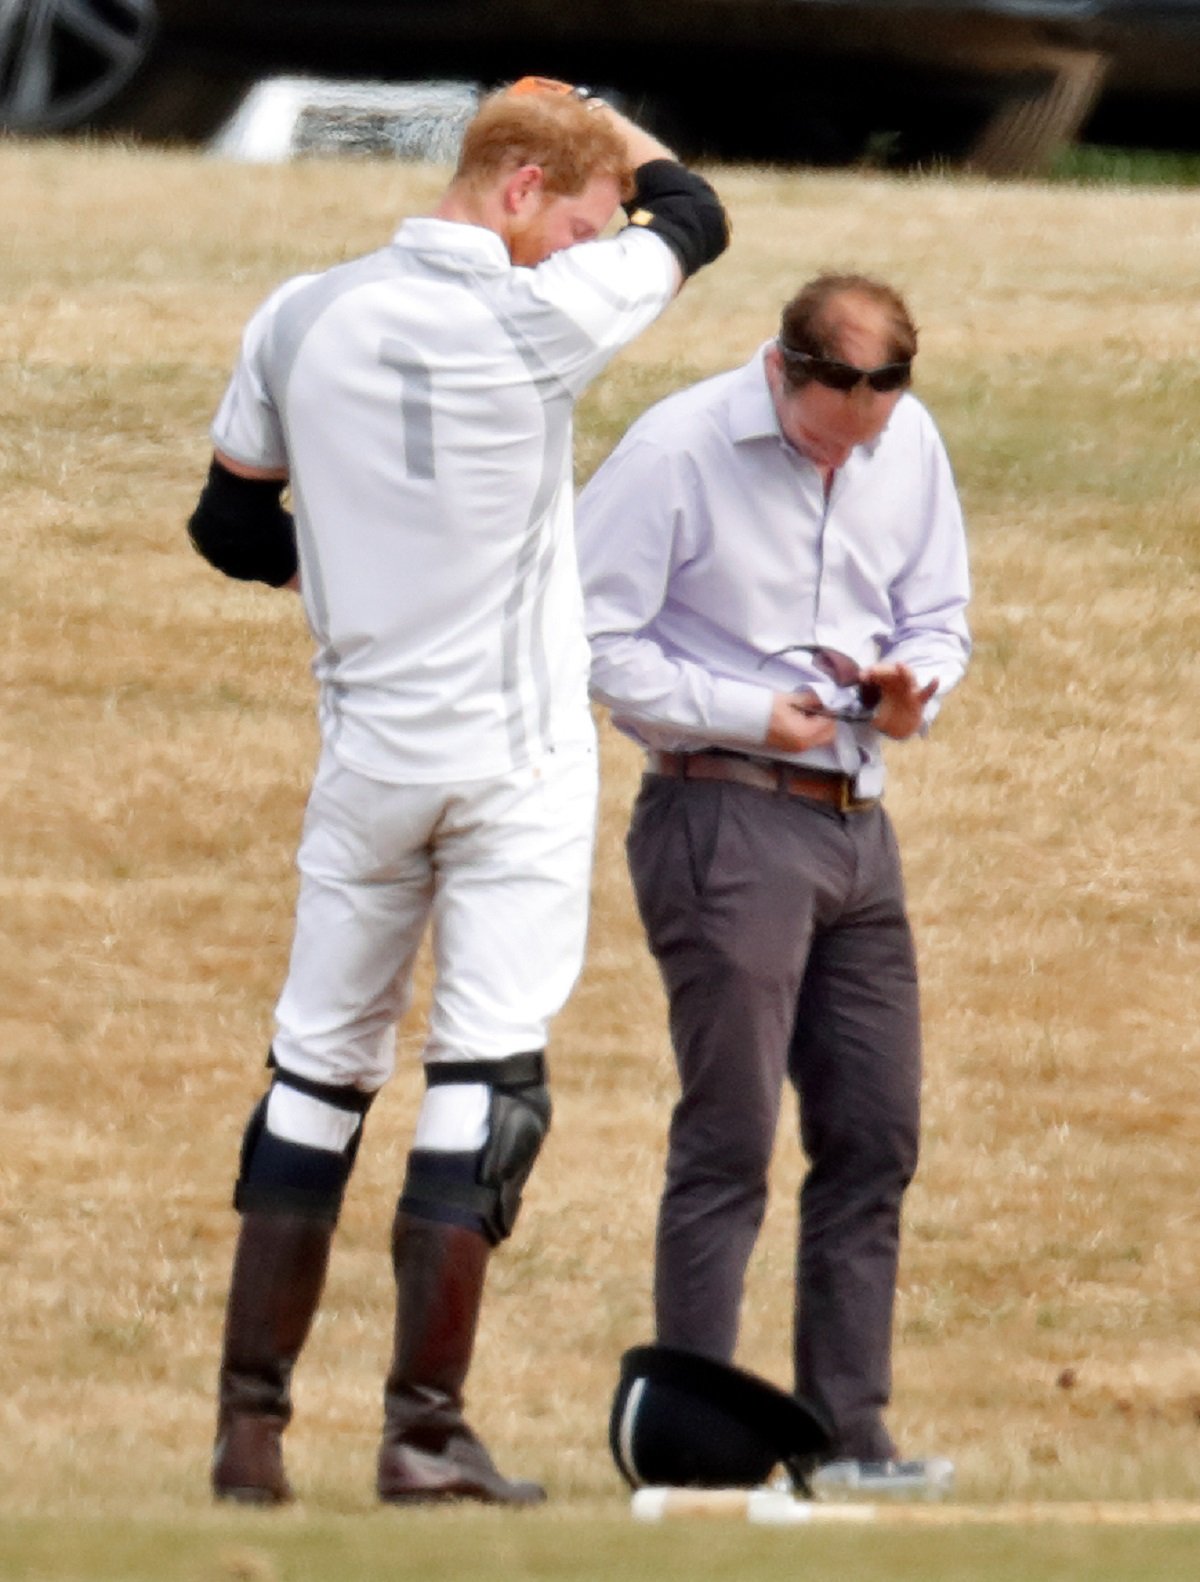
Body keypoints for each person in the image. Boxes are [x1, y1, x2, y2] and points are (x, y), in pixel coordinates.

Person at [186, 77, 728, 1508]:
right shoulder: (543, 313)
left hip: (365, 763)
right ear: (519, 189)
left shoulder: (299, 313)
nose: (588, 243)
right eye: (578, 216)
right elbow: (698, 212)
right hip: (512, 766)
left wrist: (350, 567)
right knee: (483, 1085)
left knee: (316, 1073)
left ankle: (250, 1432)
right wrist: (610, 112)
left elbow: (229, 522)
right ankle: (423, 1433)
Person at [576, 273, 970, 1494]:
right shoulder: (678, 448)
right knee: (732, 1133)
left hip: (860, 823)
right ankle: (694, 1449)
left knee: (874, 1133)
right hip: (722, 815)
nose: (844, 455)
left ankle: (849, 1439)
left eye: (871, 433)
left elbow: (941, 613)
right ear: (783, 369)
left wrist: (913, 686)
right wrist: (752, 710)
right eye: (820, 433)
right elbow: (590, 640)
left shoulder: (906, 443)